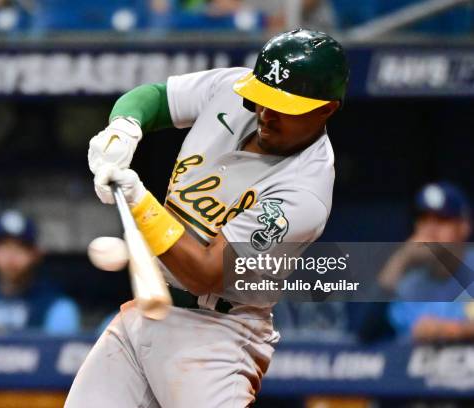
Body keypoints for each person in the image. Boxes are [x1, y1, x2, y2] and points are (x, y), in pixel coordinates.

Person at [66, 29, 348, 407]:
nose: (265, 115)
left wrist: (138, 201)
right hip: (146, 312)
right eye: (262, 99)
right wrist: (125, 127)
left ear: (327, 108)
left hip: (216, 336)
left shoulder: (304, 192)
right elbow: (156, 97)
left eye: (283, 107)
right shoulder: (231, 87)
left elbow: (203, 272)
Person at [383, 182, 474, 342]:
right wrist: (400, 260)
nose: (430, 229)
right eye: (424, 219)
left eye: (442, 219)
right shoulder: (411, 284)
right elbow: (365, 335)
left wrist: (457, 330)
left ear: (464, 227)